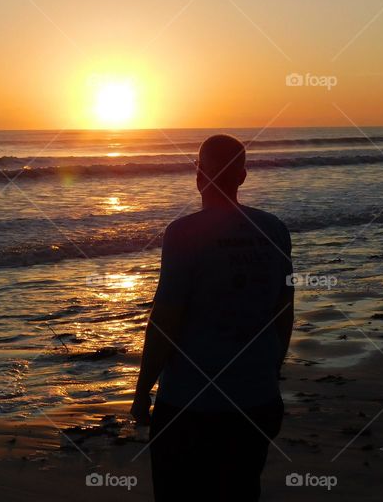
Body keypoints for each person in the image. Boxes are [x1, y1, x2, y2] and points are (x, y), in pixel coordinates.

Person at [130, 134, 294, 501]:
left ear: (198, 173)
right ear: (243, 176)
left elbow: (166, 320)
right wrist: (271, 373)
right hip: (257, 399)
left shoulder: (185, 233)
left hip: (192, 405)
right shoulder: (274, 230)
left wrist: (142, 390)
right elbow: (284, 311)